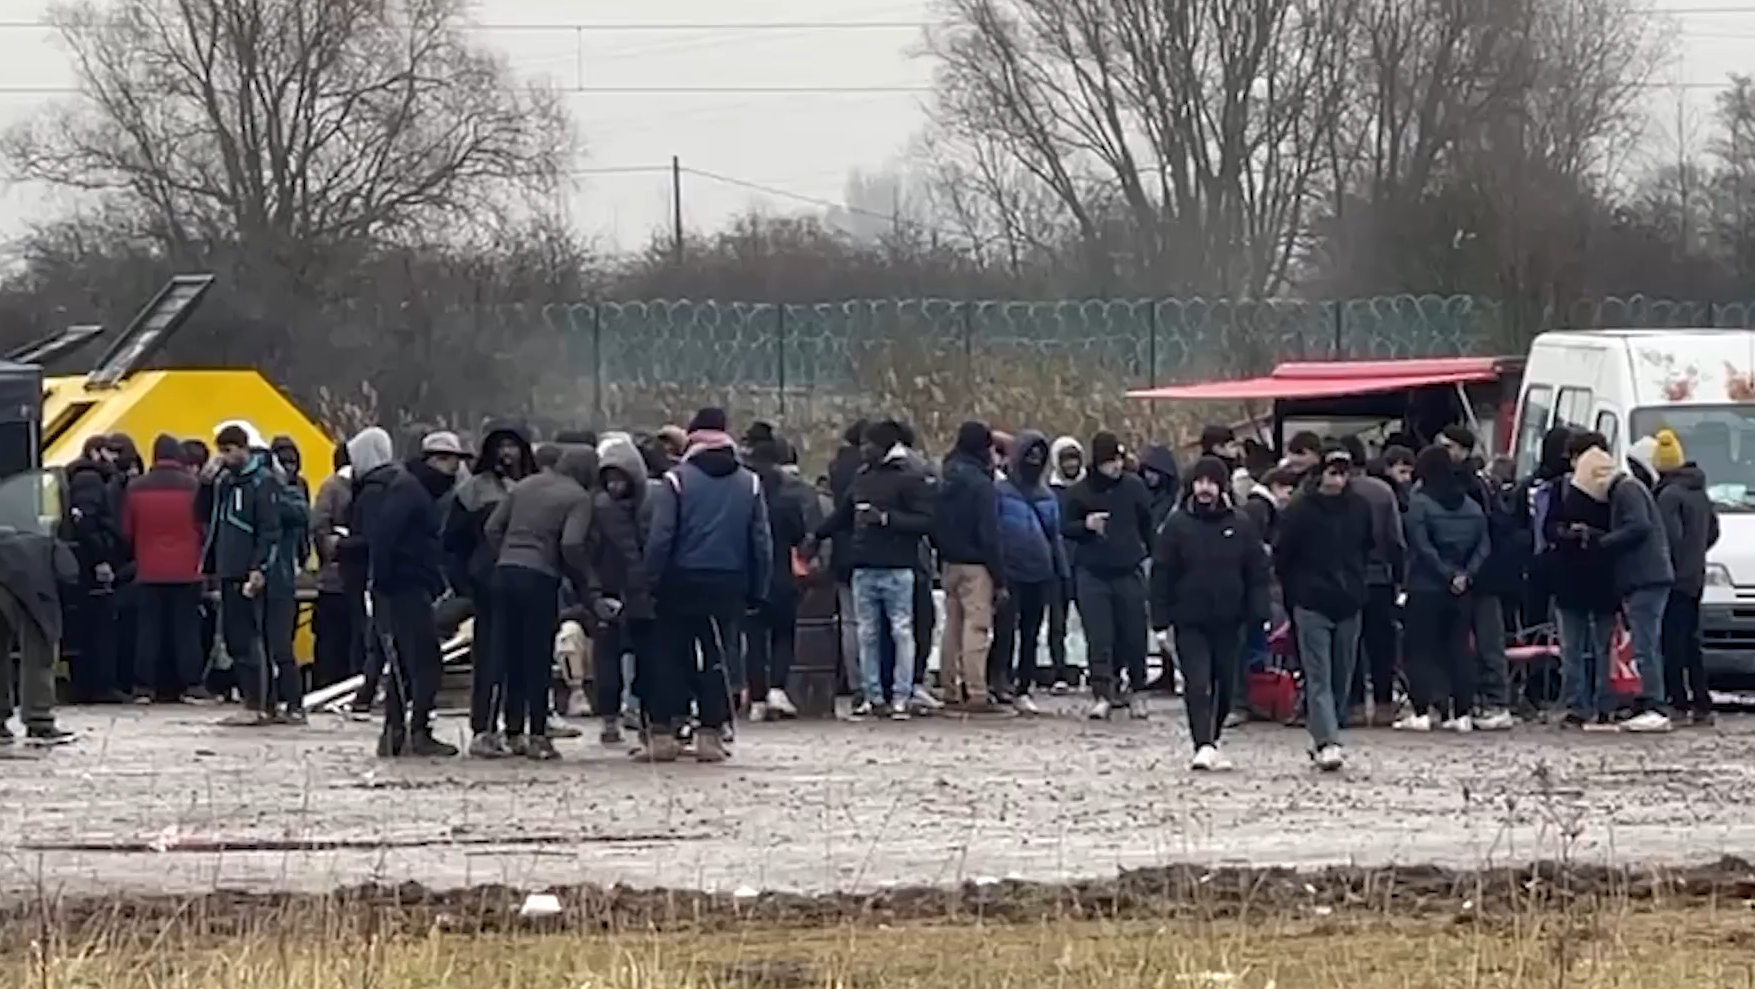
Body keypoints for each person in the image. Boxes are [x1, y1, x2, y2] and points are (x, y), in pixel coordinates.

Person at [645, 418, 773, 760]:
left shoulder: (676, 481)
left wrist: (651, 581)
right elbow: (761, 542)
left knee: (671, 654)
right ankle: (711, 734)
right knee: (719, 655)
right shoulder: (750, 483)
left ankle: (665, 734)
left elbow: (661, 537)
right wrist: (758, 589)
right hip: (729, 580)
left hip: (680, 579)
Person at [1151, 456, 1270, 771]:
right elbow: (1161, 574)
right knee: (1198, 682)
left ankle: (1213, 739)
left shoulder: (1240, 524)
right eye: (1200, 482)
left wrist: (1259, 611)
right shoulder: (1176, 526)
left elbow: (1257, 571)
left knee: (1226, 683)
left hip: (1230, 620)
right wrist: (1160, 620)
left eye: (1211, 482)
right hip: (1189, 619)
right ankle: (1201, 742)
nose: (1205, 489)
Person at [483, 440, 596, 761]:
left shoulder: (525, 485)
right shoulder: (578, 497)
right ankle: (538, 736)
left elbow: (492, 527)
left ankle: (506, 730)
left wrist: (505, 555)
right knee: (536, 658)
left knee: (506, 654)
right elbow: (572, 543)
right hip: (540, 577)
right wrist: (585, 579)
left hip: (505, 573)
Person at [814, 419, 932, 720]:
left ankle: (900, 696)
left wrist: (885, 519)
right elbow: (843, 514)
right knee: (868, 634)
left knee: (900, 632)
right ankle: (872, 695)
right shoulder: (862, 476)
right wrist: (816, 535)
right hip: (864, 565)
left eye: (869, 444)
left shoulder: (910, 477)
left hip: (898, 567)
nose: (863, 449)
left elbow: (925, 521)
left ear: (885, 446)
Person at [355, 429, 463, 757]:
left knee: (405, 661)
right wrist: (385, 582)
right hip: (403, 587)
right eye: (443, 459)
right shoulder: (410, 491)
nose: (451, 468)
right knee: (422, 661)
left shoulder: (414, 489)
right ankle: (413, 731)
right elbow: (386, 537)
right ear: (427, 459)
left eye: (455, 461)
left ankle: (397, 731)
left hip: (407, 585)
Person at [1274, 446, 1373, 771]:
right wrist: (1296, 592)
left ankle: (1330, 729)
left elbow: (1368, 547)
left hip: (1348, 601)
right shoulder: (1300, 510)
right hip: (1312, 602)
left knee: (1342, 674)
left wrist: (1359, 584)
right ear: (1320, 473)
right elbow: (1282, 554)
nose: (1338, 478)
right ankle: (1327, 741)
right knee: (1319, 676)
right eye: (1332, 470)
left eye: (1344, 472)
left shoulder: (1360, 508)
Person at [446, 419, 535, 753]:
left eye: (513, 445)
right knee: (491, 658)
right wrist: (465, 582)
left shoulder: (534, 487)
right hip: (489, 584)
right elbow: (452, 540)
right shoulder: (474, 490)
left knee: (523, 659)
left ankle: (516, 728)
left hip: (529, 583)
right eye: (501, 446)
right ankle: (483, 728)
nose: (507, 453)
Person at [1061, 431, 1154, 720]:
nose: (1115, 466)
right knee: (1099, 635)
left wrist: (1152, 555)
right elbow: (1065, 527)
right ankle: (1103, 692)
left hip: (1129, 569)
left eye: (1118, 460)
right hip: (1092, 571)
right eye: (1110, 461)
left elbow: (1148, 524)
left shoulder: (1134, 487)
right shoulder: (1079, 492)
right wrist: (1085, 526)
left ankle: (1138, 690)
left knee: (1135, 633)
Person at [1396, 445, 1489, 732]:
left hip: (1426, 586)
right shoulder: (1472, 506)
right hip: (1462, 589)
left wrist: (1446, 574)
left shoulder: (1419, 503)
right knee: (1459, 649)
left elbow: (1420, 546)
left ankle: (1422, 710)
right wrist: (1465, 575)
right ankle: (1462, 712)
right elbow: (1485, 546)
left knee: (1420, 648)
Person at [201, 421, 285, 726]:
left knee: (249, 637)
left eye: (229, 451)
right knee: (236, 638)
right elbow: (202, 516)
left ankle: (257, 703)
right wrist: (205, 485)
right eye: (221, 452)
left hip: (247, 569)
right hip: (226, 566)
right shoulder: (224, 483)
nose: (224, 457)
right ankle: (261, 701)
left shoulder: (261, 483)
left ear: (244, 449)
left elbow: (269, 529)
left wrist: (259, 567)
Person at [1592, 434, 1676, 733]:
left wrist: (1604, 541)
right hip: (1650, 576)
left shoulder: (1626, 491)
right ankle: (1650, 701)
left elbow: (1638, 526)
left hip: (1646, 578)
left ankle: (1655, 704)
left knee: (1646, 643)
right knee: (1647, 642)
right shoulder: (1633, 489)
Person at [1550, 435, 1628, 730]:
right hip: (1578, 577)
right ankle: (1579, 704)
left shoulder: (1616, 489)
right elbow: (1550, 527)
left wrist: (1591, 535)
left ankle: (1599, 703)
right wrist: (1567, 533)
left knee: (1598, 647)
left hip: (1598, 578)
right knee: (1580, 647)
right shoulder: (1563, 489)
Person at [122, 434, 207, 702]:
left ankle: (144, 686)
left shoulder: (136, 487)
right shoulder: (194, 487)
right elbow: (203, 528)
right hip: (188, 569)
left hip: (149, 569)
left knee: (149, 630)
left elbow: (127, 530)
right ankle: (191, 685)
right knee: (186, 630)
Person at [992, 430, 1069, 715]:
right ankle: (1000, 681)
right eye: (1030, 454)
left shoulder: (1046, 494)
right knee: (1005, 630)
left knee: (1031, 632)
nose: (1034, 460)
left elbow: (1054, 537)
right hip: (1010, 570)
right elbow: (993, 532)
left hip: (1041, 571)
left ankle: (1024, 685)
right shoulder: (999, 492)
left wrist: (1062, 574)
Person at [1651, 429, 1719, 725]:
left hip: (1673, 578)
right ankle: (1701, 700)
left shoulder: (1669, 495)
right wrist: (1696, 554)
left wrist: (1669, 563)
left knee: (1672, 641)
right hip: (1696, 575)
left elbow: (1668, 537)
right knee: (1692, 640)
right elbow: (1714, 531)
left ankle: (1677, 699)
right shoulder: (1699, 491)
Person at [591, 432, 656, 746]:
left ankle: (631, 716)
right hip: (617, 589)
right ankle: (614, 718)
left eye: (621, 479)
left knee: (637, 658)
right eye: (610, 480)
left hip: (625, 591)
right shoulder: (648, 506)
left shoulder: (603, 508)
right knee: (614, 660)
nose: (615, 486)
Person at [936, 420, 1006, 709]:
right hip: (976, 564)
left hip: (949, 561)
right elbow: (989, 533)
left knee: (951, 627)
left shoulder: (945, 475)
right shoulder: (981, 483)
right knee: (976, 629)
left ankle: (950, 688)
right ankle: (977, 692)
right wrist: (999, 577)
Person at [0, 508, 80, 745]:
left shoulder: (25, 542)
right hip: (27, 585)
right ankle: (39, 722)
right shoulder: (52, 549)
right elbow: (69, 574)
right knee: (39, 650)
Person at [745, 437, 809, 723]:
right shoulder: (788, 497)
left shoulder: (744, 494)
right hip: (782, 575)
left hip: (750, 577)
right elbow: (799, 534)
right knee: (783, 635)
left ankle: (756, 697)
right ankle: (777, 688)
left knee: (754, 640)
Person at [63, 433, 128, 703]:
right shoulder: (90, 480)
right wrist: (101, 557)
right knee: (100, 627)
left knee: (88, 626)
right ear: (96, 452)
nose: (115, 459)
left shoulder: (80, 478)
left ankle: (87, 685)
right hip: (92, 565)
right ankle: (100, 685)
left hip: (84, 562)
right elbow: (88, 521)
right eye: (111, 452)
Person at [1344, 438, 1405, 727]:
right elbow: (1395, 538)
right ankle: (1383, 703)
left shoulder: (1333, 491)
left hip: (1345, 577)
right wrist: (1399, 574)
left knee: (1350, 643)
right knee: (1381, 642)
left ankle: (1354, 703)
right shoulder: (1382, 491)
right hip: (1380, 577)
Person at [263, 438, 311, 723]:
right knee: (263, 646)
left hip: (281, 577)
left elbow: (302, 518)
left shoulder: (291, 493)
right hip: (266, 575)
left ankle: (293, 703)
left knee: (281, 645)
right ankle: (267, 701)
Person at [311, 445, 357, 690]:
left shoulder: (330, 487)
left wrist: (330, 549)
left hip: (332, 580)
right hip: (351, 579)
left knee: (330, 640)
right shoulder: (364, 486)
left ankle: (327, 686)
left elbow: (319, 525)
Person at [1046, 436, 1084, 693]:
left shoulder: (1088, 489)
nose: (1071, 464)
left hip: (1085, 562)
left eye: (1074, 459)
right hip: (1057, 563)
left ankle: (1098, 671)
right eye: (1066, 459)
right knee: (1056, 621)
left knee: (1093, 621)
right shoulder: (1049, 490)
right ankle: (1059, 671)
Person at [1138, 443, 1181, 532]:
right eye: (1148, 470)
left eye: (1155, 472)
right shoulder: (1137, 491)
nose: (1150, 476)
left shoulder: (1172, 500)